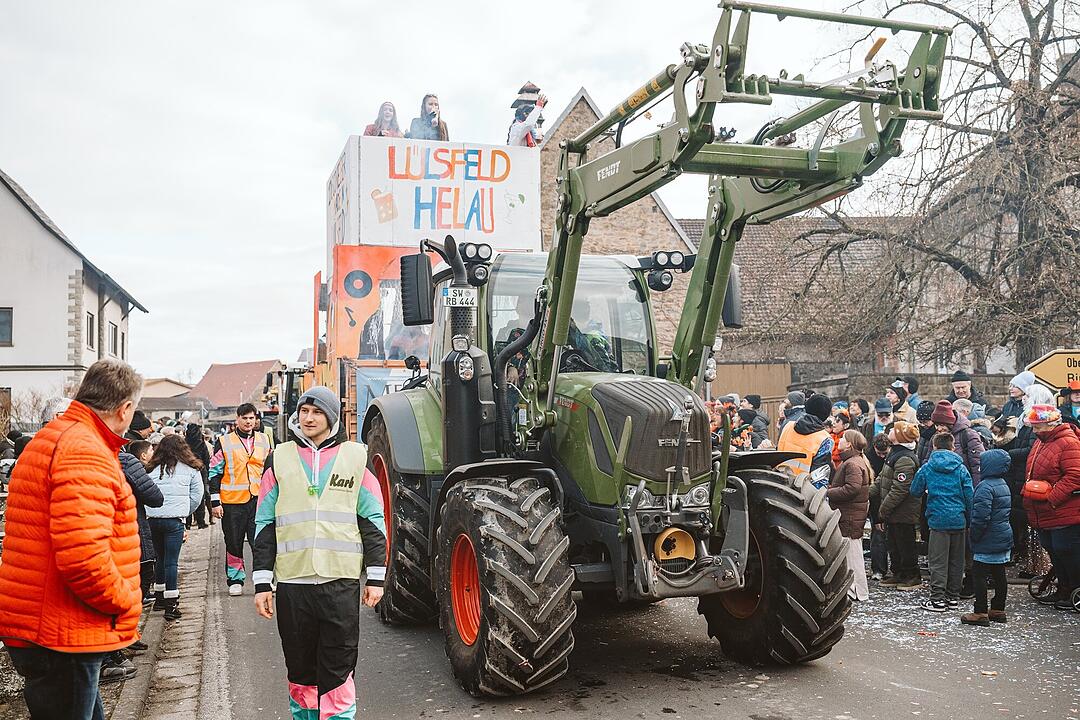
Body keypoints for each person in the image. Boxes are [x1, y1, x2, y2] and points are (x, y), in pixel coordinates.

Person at [0, 360, 144, 719]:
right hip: (63, 630)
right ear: (125, 409)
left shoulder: (56, 437)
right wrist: (125, 600)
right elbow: (84, 558)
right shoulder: (84, 450)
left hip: (49, 624)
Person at [252, 387, 386, 720]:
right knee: (299, 667)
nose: (308, 418)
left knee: (339, 666)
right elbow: (264, 524)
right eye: (304, 412)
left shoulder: (356, 457)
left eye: (317, 411)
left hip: (339, 583)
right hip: (293, 583)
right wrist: (261, 583)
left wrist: (376, 578)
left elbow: (373, 521)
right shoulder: (279, 458)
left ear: (331, 416)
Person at [209, 403, 273, 596]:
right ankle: (235, 580)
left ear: (256, 419)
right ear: (237, 419)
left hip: (258, 500)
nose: (248, 422)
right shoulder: (224, 441)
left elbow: (270, 469)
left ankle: (264, 579)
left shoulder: (265, 439)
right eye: (244, 418)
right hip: (232, 502)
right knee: (234, 542)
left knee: (261, 541)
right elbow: (213, 472)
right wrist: (214, 501)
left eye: (251, 418)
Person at [1021, 404, 1080, 610]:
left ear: (1051, 424)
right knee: (1055, 551)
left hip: (1062, 511)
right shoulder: (1041, 441)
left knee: (1066, 551)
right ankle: (1063, 589)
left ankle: (1073, 589)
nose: (1034, 430)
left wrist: (1052, 498)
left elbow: (1075, 475)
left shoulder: (1068, 443)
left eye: (1038, 426)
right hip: (1044, 512)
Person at [910, 432, 974, 612]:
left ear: (934, 447)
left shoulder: (928, 467)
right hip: (959, 520)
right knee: (956, 561)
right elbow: (970, 496)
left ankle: (937, 599)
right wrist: (968, 519)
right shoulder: (961, 468)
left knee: (938, 562)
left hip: (938, 520)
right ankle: (953, 597)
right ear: (953, 447)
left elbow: (915, 491)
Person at [145, 435, 204, 621]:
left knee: (159, 559)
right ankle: (171, 604)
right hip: (174, 521)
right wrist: (185, 512)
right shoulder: (191, 469)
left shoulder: (150, 469)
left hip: (152, 519)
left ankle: (159, 598)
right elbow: (197, 495)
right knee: (171, 562)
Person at [1008, 383, 1055, 577]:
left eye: (1028, 395)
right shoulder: (1026, 421)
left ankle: (1038, 566)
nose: (1024, 398)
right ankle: (1032, 563)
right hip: (1021, 476)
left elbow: (1031, 451)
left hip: (1029, 477)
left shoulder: (1036, 426)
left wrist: (1007, 453)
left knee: (1034, 525)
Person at [962, 449, 1012, 626]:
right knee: (999, 574)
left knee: (980, 575)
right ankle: (998, 608)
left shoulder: (985, 487)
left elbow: (981, 517)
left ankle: (980, 611)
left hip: (987, 537)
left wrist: (973, 536)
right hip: (1002, 535)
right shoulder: (1002, 483)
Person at [872, 421, 922, 591]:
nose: (891, 430)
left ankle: (912, 575)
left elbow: (900, 489)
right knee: (893, 543)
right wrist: (868, 491)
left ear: (900, 436)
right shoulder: (894, 453)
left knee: (905, 543)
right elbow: (882, 478)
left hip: (903, 511)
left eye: (894, 429)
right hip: (893, 511)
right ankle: (898, 572)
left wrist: (884, 508)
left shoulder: (905, 458)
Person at [827, 429, 872, 601]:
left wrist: (828, 492)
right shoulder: (855, 461)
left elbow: (852, 489)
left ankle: (858, 591)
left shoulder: (852, 463)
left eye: (843, 439)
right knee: (853, 554)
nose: (839, 442)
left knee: (853, 555)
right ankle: (856, 590)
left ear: (850, 444)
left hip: (850, 516)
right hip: (852, 514)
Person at [778, 393, 834, 483]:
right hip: (802, 488)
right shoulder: (825, 439)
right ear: (826, 415)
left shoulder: (788, 426)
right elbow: (819, 475)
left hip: (778, 481)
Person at [867, 433, 891, 580]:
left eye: (884, 453)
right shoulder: (870, 459)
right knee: (878, 536)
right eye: (879, 453)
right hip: (876, 499)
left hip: (888, 498)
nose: (882, 456)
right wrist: (877, 518)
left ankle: (881, 569)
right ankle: (879, 569)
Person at [185, 423, 212, 529]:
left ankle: (187, 522)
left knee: (187, 495)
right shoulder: (202, 443)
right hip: (200, 470)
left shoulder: (185, 443)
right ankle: (201, 521)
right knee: (200, 496)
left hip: (187, 470)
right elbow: (207, 459)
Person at [507, 82, 547, 147]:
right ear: (523, 114)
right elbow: (528, 125)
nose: (529, 115)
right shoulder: (516, 127)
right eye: (528, 113)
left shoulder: (529, 132)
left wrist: (536, 141)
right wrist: (538, 107)